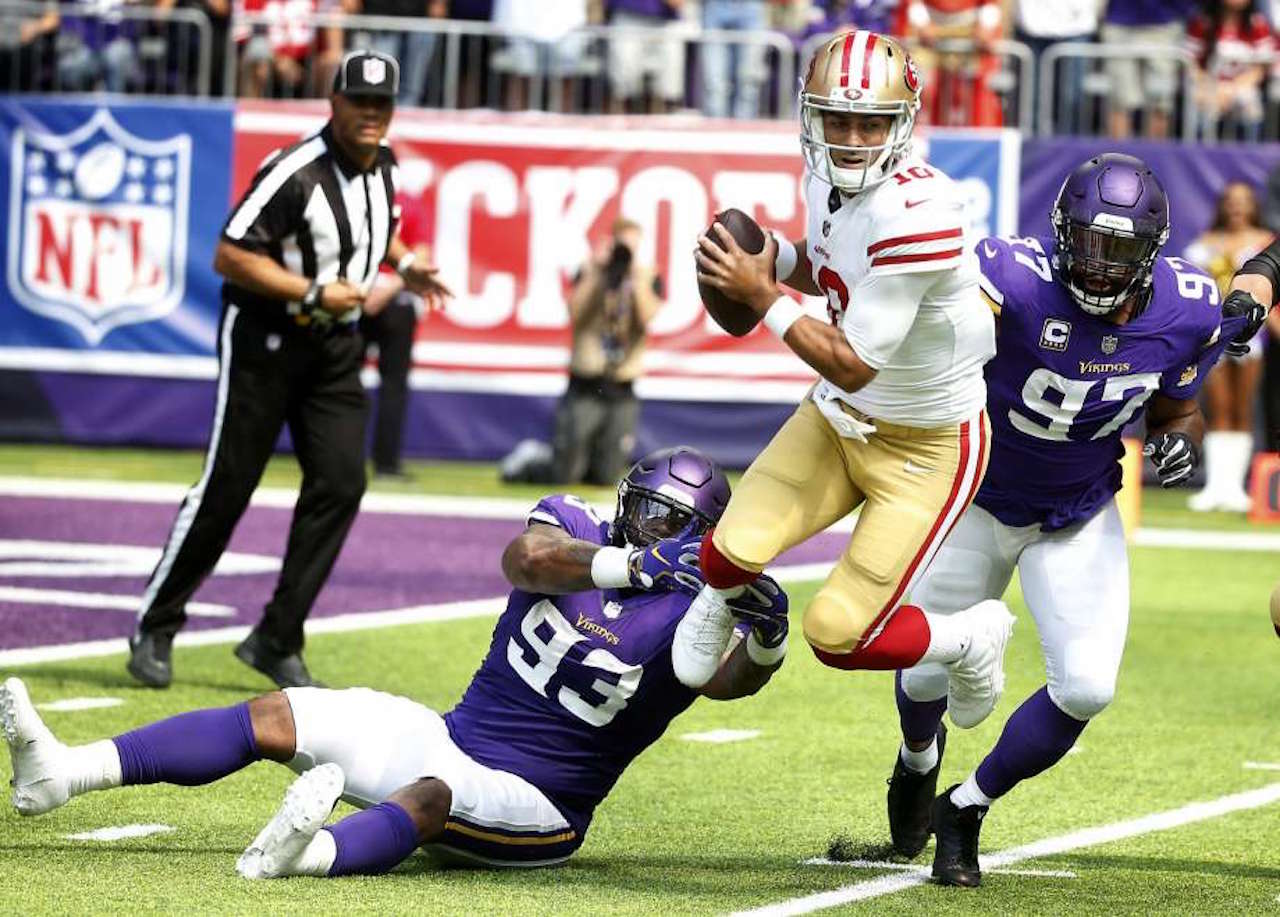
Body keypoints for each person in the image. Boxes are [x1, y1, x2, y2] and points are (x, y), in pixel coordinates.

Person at [4, 447, 790, 877]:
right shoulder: (578, 531)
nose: (642, 523)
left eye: (667, 519)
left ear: (702, 532)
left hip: (542, 800)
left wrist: (767, 640)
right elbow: (527, 559)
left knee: (431, 796)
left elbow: (715, 681)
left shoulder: (697, 606)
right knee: (278, 713)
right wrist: (628, 567)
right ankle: (65, 771)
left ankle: (306, 856)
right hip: (452, 730)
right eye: (641, 504)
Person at [885, 154, 1263, 888]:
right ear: (1060, 233)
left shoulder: (1185, 305)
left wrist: (1177, 442)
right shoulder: (1012, 276)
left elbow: (1177, 407)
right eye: (1086, 245)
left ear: (1149, 254)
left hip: (1077, 509)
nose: (1095, 268)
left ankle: (966, 806)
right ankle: (916, 760)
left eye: (1115, 252)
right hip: (974, 498)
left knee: (1087, 685)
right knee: (926, 669)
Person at [687, 31, 1013, 730]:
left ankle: (971, 637)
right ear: (812, 116)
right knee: (727, 553)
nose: (853, 137)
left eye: (871, 122)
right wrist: (771, 255)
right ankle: (737, 607)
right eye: (837, 118)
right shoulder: (826, 178)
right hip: (839, 418)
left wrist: (763, 293)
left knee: (838, 632)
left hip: (927, 447)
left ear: (904, 123)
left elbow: (854, 358)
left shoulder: (922, 211)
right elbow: (831, 263)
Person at [127, 50, 451, 691]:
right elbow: (229, 253)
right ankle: (155, 624)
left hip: (333, 349)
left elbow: (371, 233)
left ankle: (277, 636)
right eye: (359, 100)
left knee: (341, 482)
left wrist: (405, 262)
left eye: (381, 104)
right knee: (229, 486)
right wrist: (307, 291)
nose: (370, 114)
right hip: (266, 342)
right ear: (333, 102)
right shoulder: (294, 171)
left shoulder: (382, 164)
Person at [502, 218, 662, 486]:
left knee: (608, 475)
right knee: (564, 473)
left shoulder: (648, 276)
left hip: (622, 384)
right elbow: (575, 313)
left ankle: (589, 460)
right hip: (586, 381)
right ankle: (531, 460)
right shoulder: (591, 270)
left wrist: (634, 279)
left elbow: (646, 318)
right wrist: (597, 274)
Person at [1184, 182, 1274, 511]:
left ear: (1253, 206)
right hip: (1214, 333)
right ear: (1223, 206)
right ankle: (1215, 487)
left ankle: (1236, 489)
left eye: (1244, 201)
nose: (1237, 208)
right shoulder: (1205, 242)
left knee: (1242, 409)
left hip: (1254, 335)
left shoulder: (1265, 241)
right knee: (1218, 407)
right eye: (1231, 202)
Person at [1186, 0, 1274, 142]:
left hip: (1241, 86)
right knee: (1200, 104)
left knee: (1248, 100)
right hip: (1208, 85)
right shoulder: (1203, 22)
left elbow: (1261, 67)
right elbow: (1190, 64)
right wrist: (1212, 87)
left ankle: (1249, 153)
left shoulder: (1257, 23)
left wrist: (1232, 89)